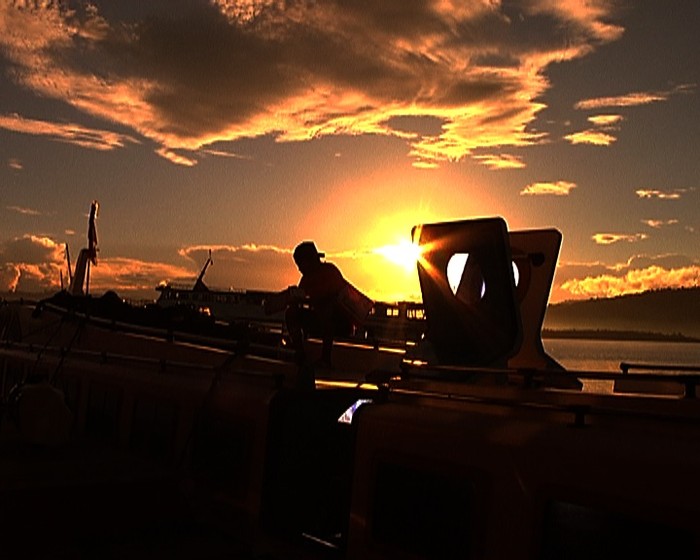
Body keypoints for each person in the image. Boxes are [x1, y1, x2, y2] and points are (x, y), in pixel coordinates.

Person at [285, 241, 353, 369]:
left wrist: (311, 296)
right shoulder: (306, 279)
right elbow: (301, 297)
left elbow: (333, 295)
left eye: (300, 264)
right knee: (291, 313)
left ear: (310, 261)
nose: (299, 269)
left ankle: (326, 359)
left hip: (340, 322)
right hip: (320, 321)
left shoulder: (330, 271)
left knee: (328, 309)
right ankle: (300, 352)